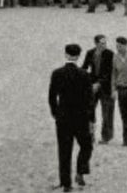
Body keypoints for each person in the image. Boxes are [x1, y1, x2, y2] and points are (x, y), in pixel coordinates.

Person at [48, 43, 94, 192]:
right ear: (78, 56)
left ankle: (66, 183)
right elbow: (90, 99)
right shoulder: (84, 75)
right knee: (86, 146)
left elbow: (52, 97)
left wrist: (56, 113)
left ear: (66, 55)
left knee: (64, 151)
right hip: (81, 117)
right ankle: (80, 171)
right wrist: (91, 119)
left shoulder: (57, 73)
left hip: (63, 117)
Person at [81, 35, 115, 144]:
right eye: (101, 43)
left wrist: (99, 83)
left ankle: (106, 137)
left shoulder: (110, 54)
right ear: (96, 43)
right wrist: (87, 81)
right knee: (89, 111)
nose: (104, 45)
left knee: (107, 113)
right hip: (92, 87)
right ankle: (90, 135)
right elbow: (84, 67)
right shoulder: (90, 53)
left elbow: (110, 72)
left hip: (106, 87)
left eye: (105, 43)